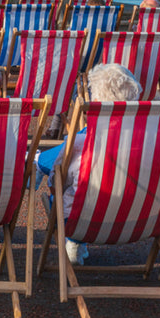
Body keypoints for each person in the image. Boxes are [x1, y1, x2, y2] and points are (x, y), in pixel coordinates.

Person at [35, 62, 142, 266]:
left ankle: (75, 241)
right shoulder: (153, 142)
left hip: (83, 221)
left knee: (64, 180)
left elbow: (57, 173)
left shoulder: (85, 140)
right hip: (141, 220)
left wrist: (46, 174)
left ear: (96, 101)